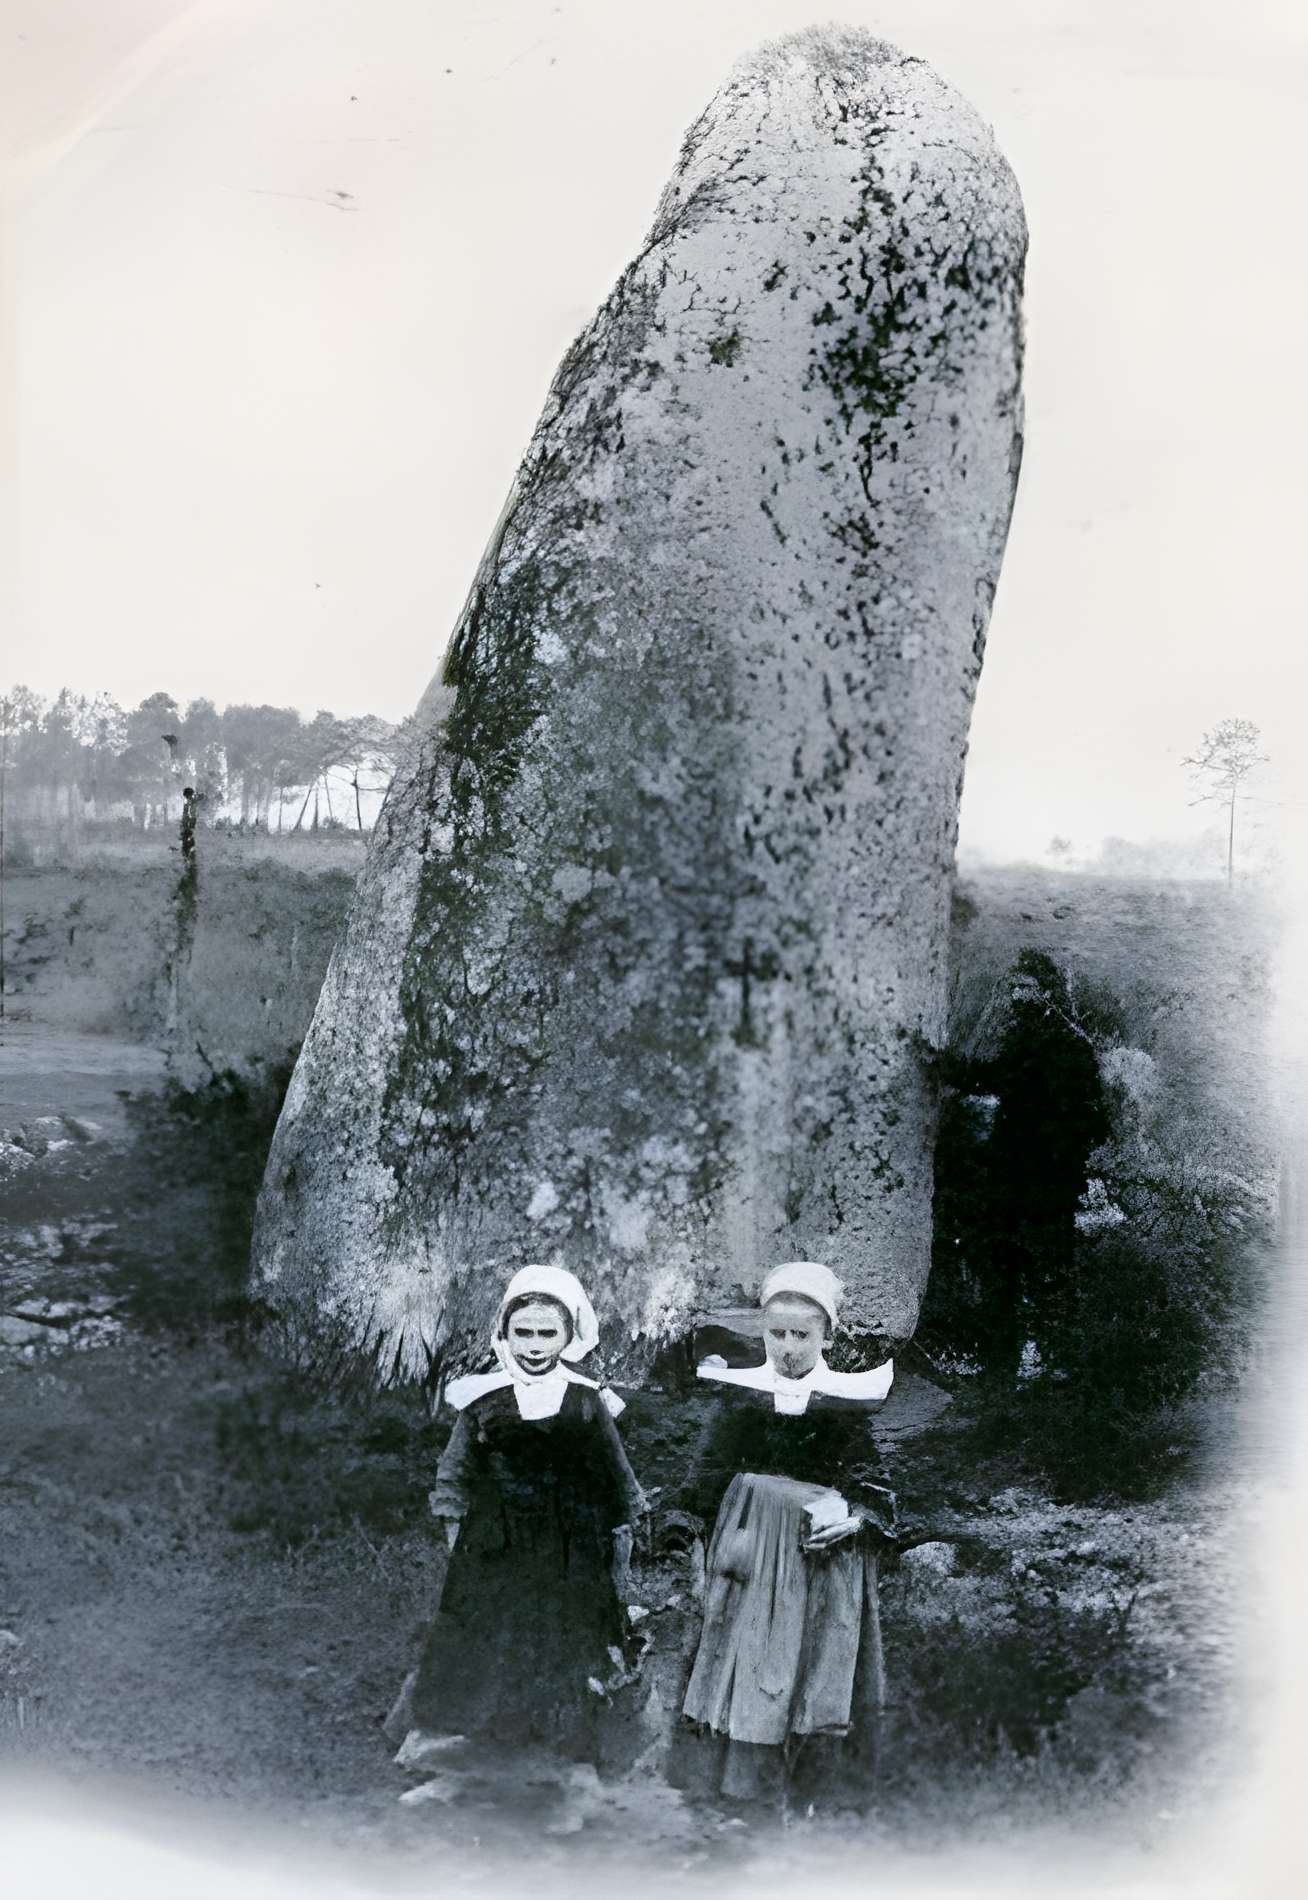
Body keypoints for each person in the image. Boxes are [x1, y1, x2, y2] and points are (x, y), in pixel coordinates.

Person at [394, 1266, 647, 1818]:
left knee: (567, 1642)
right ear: (505, 1336)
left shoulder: (587, 1402)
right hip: (495, 1546)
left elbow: (616, 1476)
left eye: (546, 1333)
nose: (534, 1346)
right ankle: (475, 1765)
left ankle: (569, 1768)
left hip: (570, 1547)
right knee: (488, 1644)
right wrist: (457, 1528)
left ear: (568, 1336)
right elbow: (455, 1473)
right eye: (523, 1334)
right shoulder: (483, 1400)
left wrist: (620, 1540)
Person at [672, 1261, 896, 1814]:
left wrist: (857, 1515)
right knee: (746, 1669)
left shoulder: (847, 1404)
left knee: (815, 1671)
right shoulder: (739, 1400)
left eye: (802, 1334)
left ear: (826, 1335)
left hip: (820, 1562)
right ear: (762, 1333)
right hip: (750, 1563)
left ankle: (813, 1798)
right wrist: (680, 1528)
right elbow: (703, 1481)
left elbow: (876, 1489)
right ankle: (738, 1799)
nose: (789, 1347)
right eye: (777, 1333)